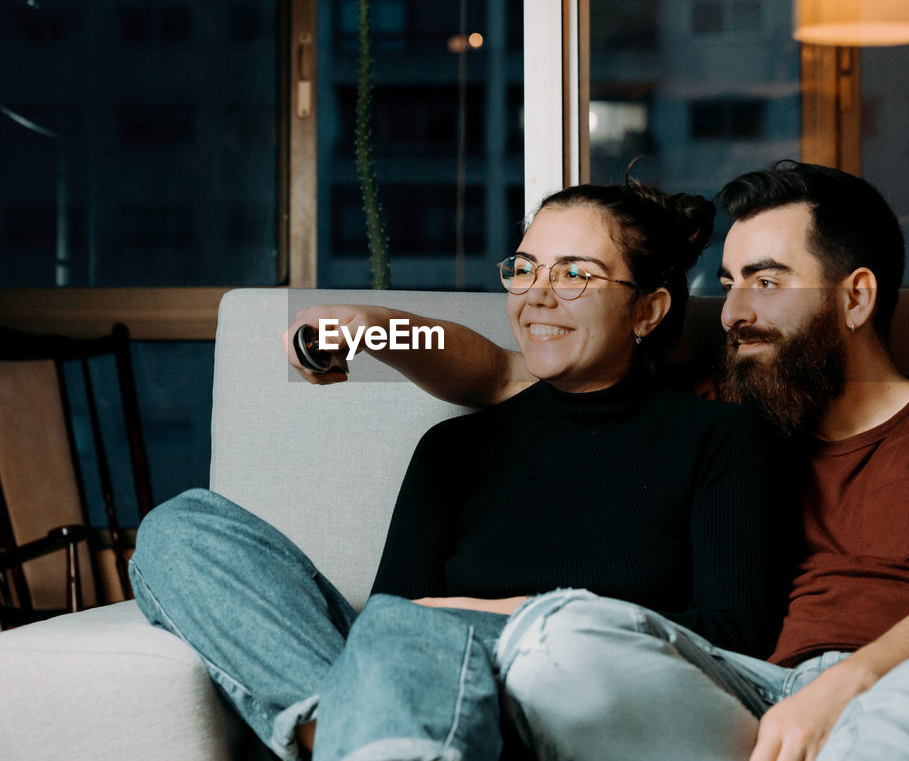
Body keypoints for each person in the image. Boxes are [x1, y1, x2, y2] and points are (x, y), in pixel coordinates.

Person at [289, 162, 909, 760]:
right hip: (760, 689)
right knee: (562, 643)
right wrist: (364, 329)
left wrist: (839, 688)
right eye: (729, 283)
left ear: (857, 296)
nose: (734, 311)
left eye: (766, 283)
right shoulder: (725, 410)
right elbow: (506, 365)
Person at [131, 180, 790, 761]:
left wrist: (500, 615)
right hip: (424, 685)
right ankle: (339, 725)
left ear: (647, 310)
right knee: (177, 531)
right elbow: (390, 627)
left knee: (406, 634)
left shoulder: (718, 437)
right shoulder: (456, 446)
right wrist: (359, 330)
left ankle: (357, 732)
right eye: (525, 268)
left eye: (573, 275)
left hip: (579, 696)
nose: (537, 296)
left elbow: (734, 635)